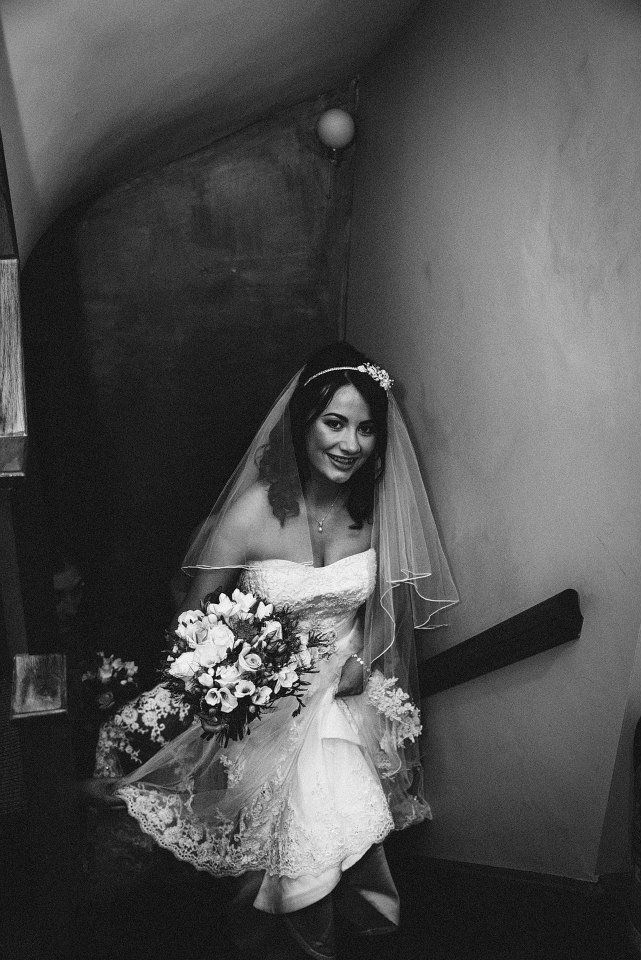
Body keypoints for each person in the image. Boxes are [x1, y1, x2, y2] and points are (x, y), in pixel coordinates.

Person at [107, 341, 458, 959]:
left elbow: (388, 619)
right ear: (302, 424)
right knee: (275, 851)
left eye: (367, 429)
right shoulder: (250, 514)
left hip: (347, 701)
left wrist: (362, 659)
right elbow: (192, 618)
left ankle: (321, 940)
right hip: (265, 701)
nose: (351, 443)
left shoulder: (375, 515)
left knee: (336, 829)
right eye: (335, 422)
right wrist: (240, 670)